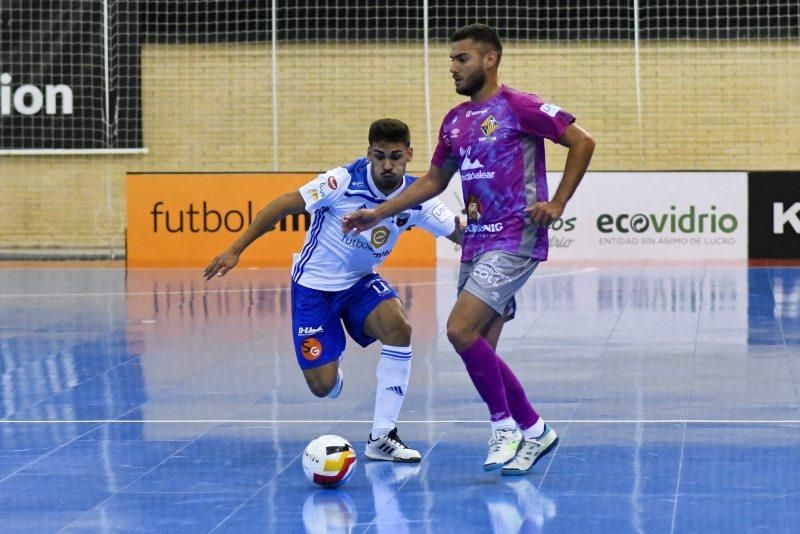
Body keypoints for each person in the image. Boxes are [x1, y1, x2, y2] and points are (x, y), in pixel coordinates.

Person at [343, 24, 595, 474]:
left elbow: (582, 142)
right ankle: (536, 432)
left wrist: (557, 203)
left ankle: (505, 427)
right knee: (479, 345)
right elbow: (432, 181)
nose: (453, 69)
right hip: (476, 240)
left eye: (461, 59)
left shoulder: (521, 106)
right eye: (452, 61)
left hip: (515, 236)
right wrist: (379, 212)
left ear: (489, 59)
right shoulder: (454, 121)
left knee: (459, 330)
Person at [203, 118, 462, 462]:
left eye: (396, 157)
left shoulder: (417, 198)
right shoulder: (341, 181)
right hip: (314, 288)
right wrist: (236, 249)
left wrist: (504, 244)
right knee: (322, 387)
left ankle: (383, 435)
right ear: (369, 153)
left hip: (359, 282)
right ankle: (331, 362)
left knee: (400, 328)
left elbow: (459, 234)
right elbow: (283, 204)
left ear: (409, 155)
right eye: (380, 156)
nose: (387, 165)